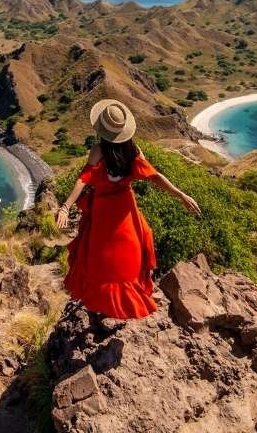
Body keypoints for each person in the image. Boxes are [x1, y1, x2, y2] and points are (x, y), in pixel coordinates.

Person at [56, 98, 201, 319]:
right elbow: (154, 176)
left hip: (104, 210)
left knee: (100, 255)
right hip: (125, 208)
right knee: (133, 249)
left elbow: (82, 180)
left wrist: (65, 207)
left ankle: (104, 303)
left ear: (101, 130)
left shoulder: (98, 151)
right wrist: (180, 195)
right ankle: (128, 298)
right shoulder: (132, 150)